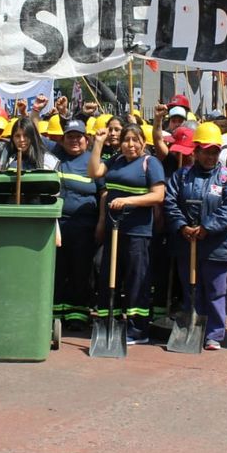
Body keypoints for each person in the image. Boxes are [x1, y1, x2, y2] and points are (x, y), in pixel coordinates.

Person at [163, 123, 227, 350]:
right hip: (186, 244)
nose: (210, 156)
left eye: (214, 151)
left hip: (216, 246)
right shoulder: (182, 176)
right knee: (191, 288)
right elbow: (170, 203)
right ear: (195, 151)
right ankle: (192, 328)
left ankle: (214, 334)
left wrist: (207, 227)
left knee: (216, 291)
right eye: (206, 151)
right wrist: (182, 226)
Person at [88, 122, 166, 345]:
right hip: (114, 229)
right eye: (126, 140)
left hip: (138, 232)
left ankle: (137, 329)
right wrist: (98, 144)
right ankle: (107, 322)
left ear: (143, 142)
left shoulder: (150, 163)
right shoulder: (115, 160)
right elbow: (94, 172)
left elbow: (158, 196)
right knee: (108, 277)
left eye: (135, 140)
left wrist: (128, 201)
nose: (130, 145)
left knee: (136, 279)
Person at [51, 119, 100, 331]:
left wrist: (101, 222)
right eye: (69, 136)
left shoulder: (92, 161)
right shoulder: (54, 158)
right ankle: (55, 314)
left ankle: (77, 315)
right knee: (57, 269)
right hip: (57, 226)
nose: (74, 140)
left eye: (78, 136)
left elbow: (104, 193)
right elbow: (32, 135)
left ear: (86, 139)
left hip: (84, 226)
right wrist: (34, 112)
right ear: (62, 140)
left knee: (81, 271)